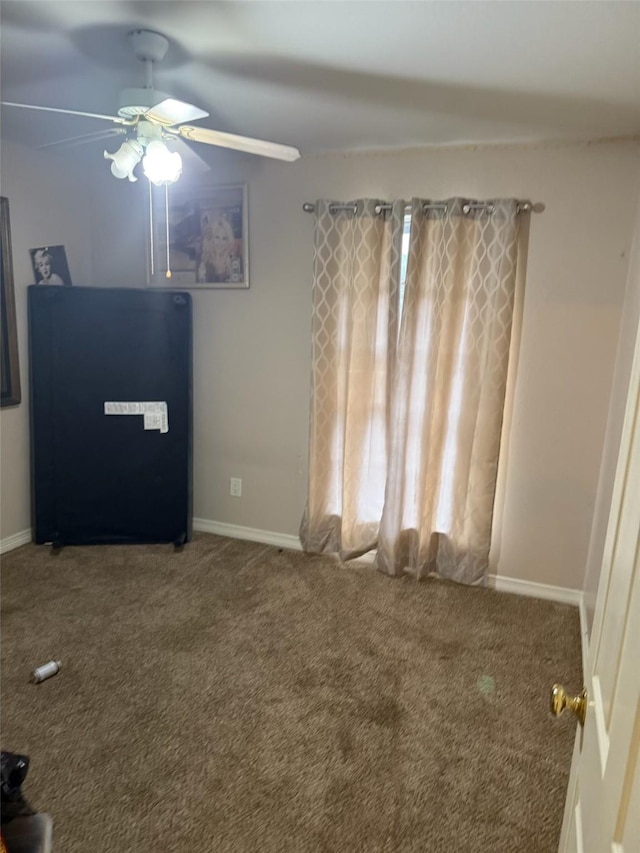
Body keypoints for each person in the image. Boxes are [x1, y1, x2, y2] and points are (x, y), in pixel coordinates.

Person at [197, 213, 240, 283]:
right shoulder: (205, 259)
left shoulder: (232, 261)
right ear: (211, 238)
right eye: (217, 237)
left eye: (224, 238)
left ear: (228, 241)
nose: (220, 242)